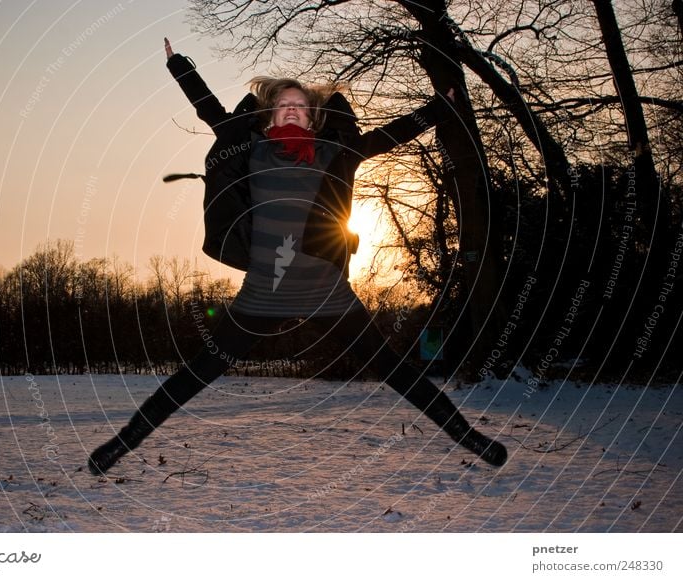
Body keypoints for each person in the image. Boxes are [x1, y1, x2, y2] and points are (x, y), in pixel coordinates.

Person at [87, 38, 507, 475]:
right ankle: (120, 445)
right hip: (262, 296)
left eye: (301, 105)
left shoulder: (336, 154)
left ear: (314, 116)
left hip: (328, 294)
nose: (292, 108)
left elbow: (391, 134)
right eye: (284, 103)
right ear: (269, 114)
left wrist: (440, 108)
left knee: (396, 370)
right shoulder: (250, 151)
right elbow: (210, 109)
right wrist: (178, 66)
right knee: (198, 372)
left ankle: (470, 438)